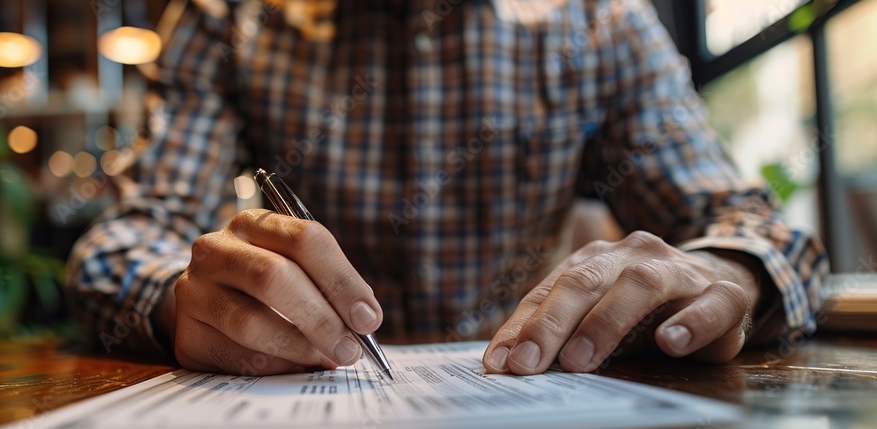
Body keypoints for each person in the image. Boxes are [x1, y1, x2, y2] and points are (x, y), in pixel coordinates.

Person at [67, 0, 827, 376]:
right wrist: (179, 300)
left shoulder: (601, 23)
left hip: (532, 426)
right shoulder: (226, 20)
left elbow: (756, 230)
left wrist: (728, 274)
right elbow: (118, 247)